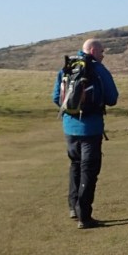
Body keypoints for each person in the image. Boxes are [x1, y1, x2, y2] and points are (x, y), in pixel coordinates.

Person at [51, 38, 119, 228]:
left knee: (75, 165)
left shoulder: (66, 68)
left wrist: (72, 111)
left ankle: (73, 207)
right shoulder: (98, 69)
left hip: (69, 128)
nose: (103, 55)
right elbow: (113, 98)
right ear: (92, 50)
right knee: (89, 170)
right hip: (91, 128)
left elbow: (56, 97)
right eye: (101, 51)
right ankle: (84, 215)